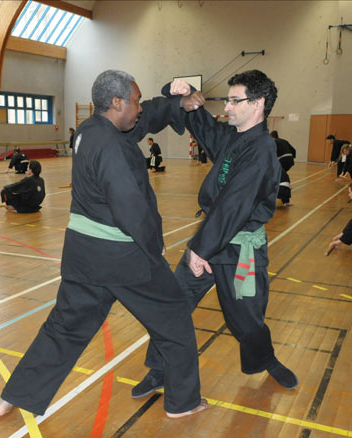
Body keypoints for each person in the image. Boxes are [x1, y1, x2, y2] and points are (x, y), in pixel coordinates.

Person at [0, 70, 207, 419]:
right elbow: (131, 209)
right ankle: (183, 403)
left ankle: (13, 396)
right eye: (135, 101)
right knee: (174, 317)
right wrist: (155, 245)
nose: (139, 108)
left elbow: (145, 118)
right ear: (117, 102)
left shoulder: (93, 129)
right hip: (124, 258)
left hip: (83, 256)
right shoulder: (112, 148)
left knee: (65, 327)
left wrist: (175, 103)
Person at [132, 70, 298, 400]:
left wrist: (200, 250)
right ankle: (160, 369)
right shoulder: (230, 136)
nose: (228, 107)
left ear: (258, 104)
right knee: (172, 304)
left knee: (247, 321)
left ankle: (265, 358)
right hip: (209, 238)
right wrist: (178, 89)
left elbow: (235, 206)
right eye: (228, 100)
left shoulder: (263, 151)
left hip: (239, 250)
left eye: (235, 101)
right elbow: (197, 116)